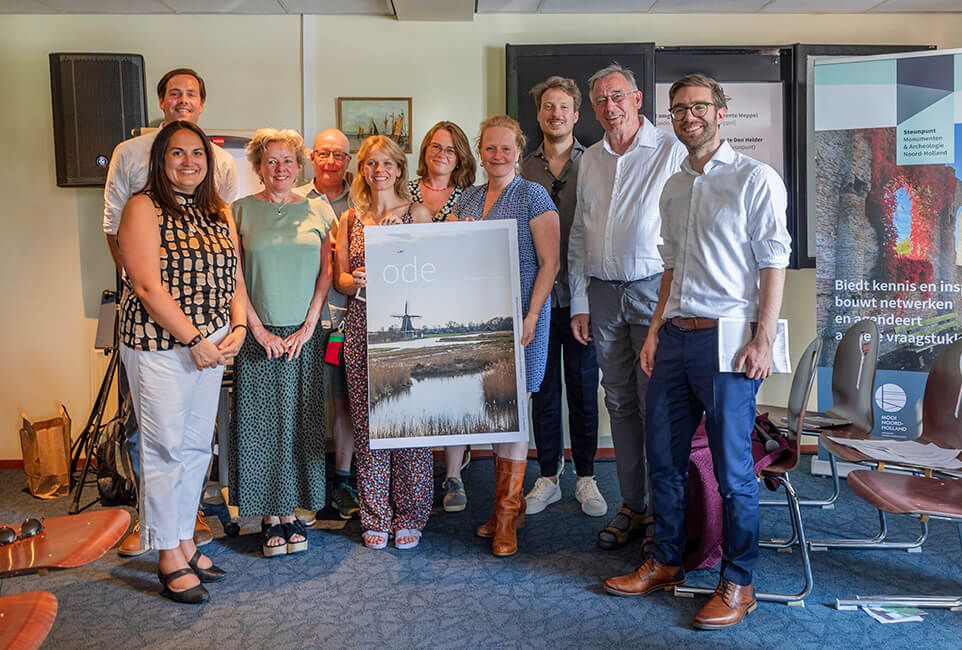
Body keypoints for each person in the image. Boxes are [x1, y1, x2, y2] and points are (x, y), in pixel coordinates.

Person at [603, 73, 791, 630]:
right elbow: (671, 267)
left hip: (729, 339)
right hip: (676, 337)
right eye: (679, 109)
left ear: (721, 112)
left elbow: (771, 261)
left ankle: (739, 581)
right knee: (663, 457)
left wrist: (763, 335)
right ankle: (664, 560)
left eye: (699, 107)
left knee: (733, 471)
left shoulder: (755, 179)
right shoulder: (675, 184)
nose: (688, 117)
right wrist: (657, 328)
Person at [104, 67, 239, 557]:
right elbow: (144, 284)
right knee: (162, 451)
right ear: (162, 159)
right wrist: (195, 340)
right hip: (162, 346)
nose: (189, 161)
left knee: (198, 448)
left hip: (213, 346)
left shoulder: (216, 209)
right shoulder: (142, 207)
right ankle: (166, 554)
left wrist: (239, 325)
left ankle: (184, 538)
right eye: (178, 153)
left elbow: (235, 275)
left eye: (197, 153)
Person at [568, 63, 687, 550]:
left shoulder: (670, 150)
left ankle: (663, 513)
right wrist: (578, 301)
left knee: (653, 404)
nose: (609, 107)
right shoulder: (590, 159)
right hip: (601, 294)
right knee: (618, 403)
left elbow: (683, 232)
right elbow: (579, 232)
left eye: (617, 96)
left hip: (651, 292)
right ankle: (631, 506)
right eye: (600, 100)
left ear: (638, 100)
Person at [455, 115, 560, 557]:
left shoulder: (533, 195)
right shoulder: (467, 198)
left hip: (521, 319)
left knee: (513, 410)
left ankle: (505, 516)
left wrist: (532, 316)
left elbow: (549, 264)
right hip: (477, 320)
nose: (497, 156)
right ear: (480, 152)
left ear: (519, 151)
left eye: (506, 148)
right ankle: (502, 508)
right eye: (490, 148)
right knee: (491, 408)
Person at [228, 128, 336, 557]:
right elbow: (234, 277)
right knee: (259, 427)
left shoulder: (319, 211)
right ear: (257, 167)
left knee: (301, 424)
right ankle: (268, 515)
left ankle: (291, 511)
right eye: (271, 161)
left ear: (299, 166)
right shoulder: (237, 212)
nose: (280, 169)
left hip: (305, 335)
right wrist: (256, 328)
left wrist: (310, 326)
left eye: (287, 161)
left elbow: (327, 273)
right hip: (258, 335)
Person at [334, 135, 434, 550]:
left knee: (409, 420)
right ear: (362, 170)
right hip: (361, 325)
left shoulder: (418, 214)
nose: (379, 171)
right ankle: (375, 513)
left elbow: (434, 271)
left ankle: (411, 512)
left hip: (406, 336)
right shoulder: (350, 220)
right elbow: (340, 278)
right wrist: (352, 281)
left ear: (399, 169)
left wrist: (403, 246)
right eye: (371, 164)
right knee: (369, 424)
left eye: (387, 164)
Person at [520, 76, 603, 519]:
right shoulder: (521, 168)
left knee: (584, 389)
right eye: (548, 107)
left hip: (582, 298)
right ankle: (549, 475)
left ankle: (586, 476)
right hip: (537, 300)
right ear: (539, 115)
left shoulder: (597, 163)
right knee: (544, 390)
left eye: (564, 107)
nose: (556, 115)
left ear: (577, 114)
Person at [407, 120, 478, 513]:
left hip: (454, 302)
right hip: (411, 299)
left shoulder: (470, 198)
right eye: (435, 147)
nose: (441, 155)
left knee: (455, 387)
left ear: (460, 157)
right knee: (415, 388)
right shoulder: (405, 189)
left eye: (449, 150)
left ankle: (453, 474)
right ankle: (412, 472)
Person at [293, 128, 360, 522]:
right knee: (306, 402)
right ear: (312, 158)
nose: (331, 161)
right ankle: (306, 485)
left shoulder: (364, 200)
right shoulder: (296, 200)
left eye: (339, 155)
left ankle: (343, 481)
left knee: (345, 403)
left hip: (351, 316)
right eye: (324, 154)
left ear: (348, 161)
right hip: (305, 315)